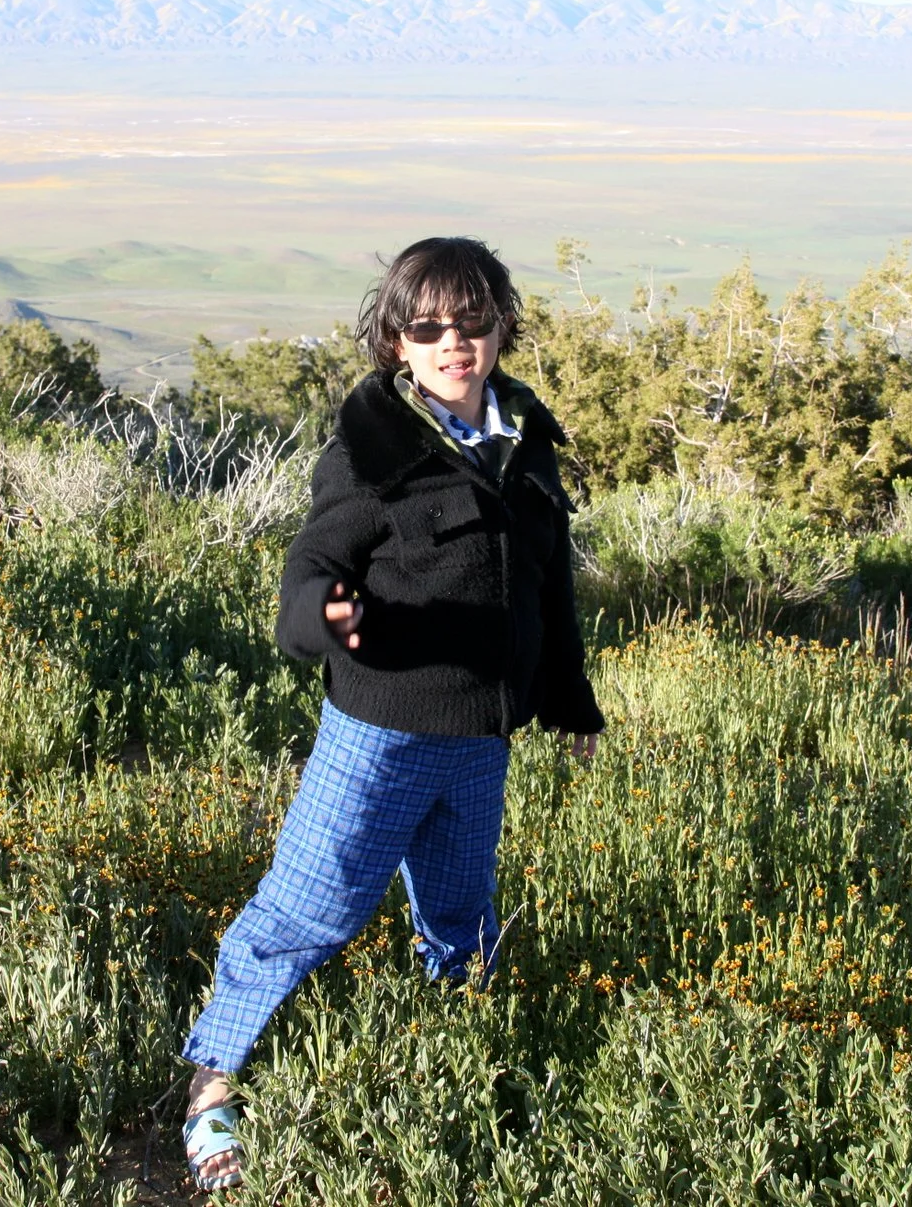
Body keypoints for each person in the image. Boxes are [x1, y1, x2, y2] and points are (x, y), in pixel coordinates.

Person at [179, 237, 604, 1192]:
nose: (455, 341)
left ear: (501, 325)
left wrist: (569, 698)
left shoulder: (526, 438)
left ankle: (457, 1070)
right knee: (309, 908)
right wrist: (316, 621)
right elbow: (309, 568)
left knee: (461, 911)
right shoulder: (372, 451)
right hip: (380, 730)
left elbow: (550, 588)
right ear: (396, 341)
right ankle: (212, 1087)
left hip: (481, 737)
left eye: (474, 321)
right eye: (429, 326)